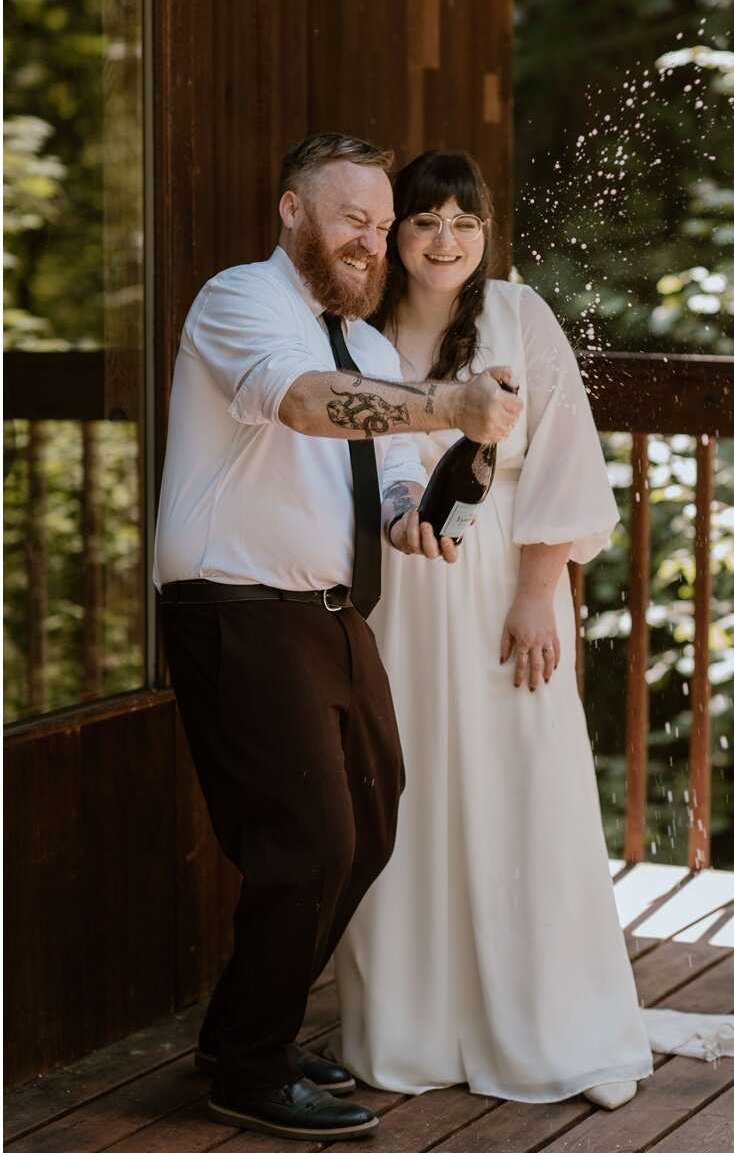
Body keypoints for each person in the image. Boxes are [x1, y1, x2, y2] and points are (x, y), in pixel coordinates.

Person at [333, 151, 734, 1109]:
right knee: (405, 788)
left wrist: (539, 591)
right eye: (424, 222)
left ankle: (538, 1013)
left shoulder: (516, 314)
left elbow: (565, 459)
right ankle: (414, 1026)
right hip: (400, 590)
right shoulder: (357, 334)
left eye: (464, 221)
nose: (445, 241)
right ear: (396, 235)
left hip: (504, 579)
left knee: (516, 785)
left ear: (486, 230)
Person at [154, 133, 523, 1142]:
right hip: (235, 606)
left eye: (377, 221)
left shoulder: (366, 346)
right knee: (310, 843)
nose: (367, 239)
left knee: (373, 824)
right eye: (347, 217)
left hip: (330, 611)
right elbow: (307, 407)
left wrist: (416, 510)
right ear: (291, 212)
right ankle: (252, 1072)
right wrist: (447, 401)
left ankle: (240, 1035)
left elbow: (395, 474)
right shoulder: (240, 301)